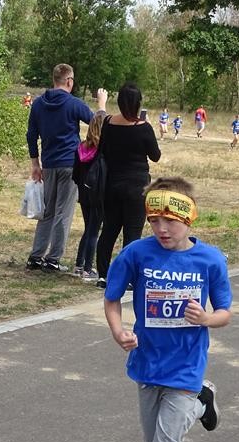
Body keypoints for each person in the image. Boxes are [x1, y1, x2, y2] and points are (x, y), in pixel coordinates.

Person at [103, 176, 232, 442]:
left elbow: (225, 312)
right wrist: (118, 331)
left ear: (189, 219)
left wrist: (206, 319)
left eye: (170, 221)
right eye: (154, 221)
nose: (161, 229)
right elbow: (111, 299)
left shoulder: (210, 260)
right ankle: (204, 402)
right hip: (147, 364)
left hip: (186, 366)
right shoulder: (136, 254)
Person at [26, 63, 107, 273]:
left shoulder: (38, 104)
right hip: (71, 164)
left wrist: (35, 163)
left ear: (54, 79)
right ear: (69, 81)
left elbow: (31, 134)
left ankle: (36, 256)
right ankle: (53, 258)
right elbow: (97, 123)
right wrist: (101, 105)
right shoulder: (73, 104)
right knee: (64, 211)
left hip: (49, 163)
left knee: (47, 211)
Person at [95, 83, 161, 289]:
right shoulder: (143, 127)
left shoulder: (108, 123)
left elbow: (102, 150)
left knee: (109, 230)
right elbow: (155, 155)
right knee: (132, 234)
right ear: (138, 103)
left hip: (112, 184)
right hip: (137, 186)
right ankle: (128, 277)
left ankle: (103, 275)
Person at [71, 110, 107, 280]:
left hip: (84, 192)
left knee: (88, 229)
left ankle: (79, 264)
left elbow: (75, 174)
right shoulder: (104, 150)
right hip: (98, 193)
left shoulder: (81, 147)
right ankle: (87, 268)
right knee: (94, 231)